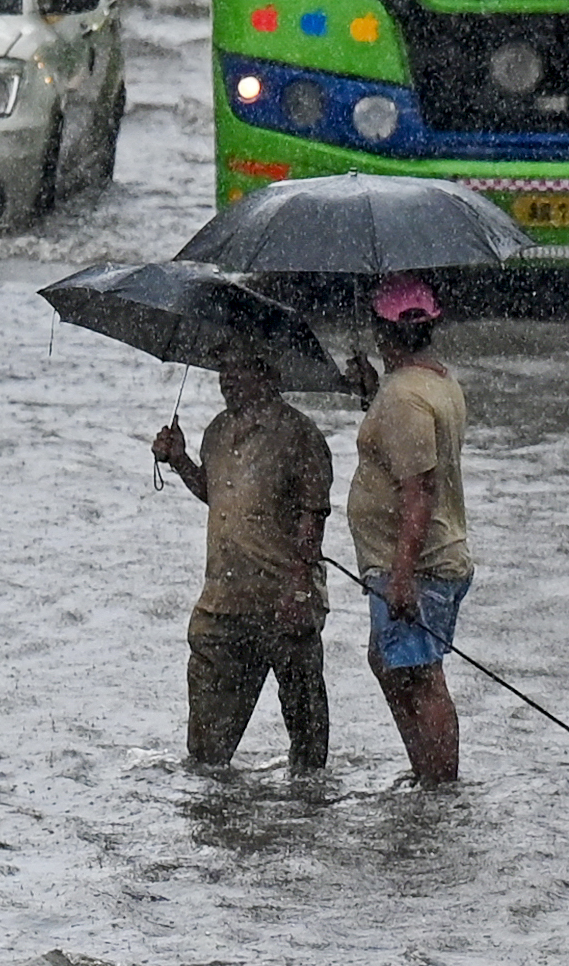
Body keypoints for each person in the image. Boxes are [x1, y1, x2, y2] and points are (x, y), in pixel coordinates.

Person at [152, 342, 333, 772]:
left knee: (306, 737)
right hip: (223, 603)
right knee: (207, 751)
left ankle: (307, 813)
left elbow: (314, 515)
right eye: (222, 369)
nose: (227, 379)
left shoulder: (299, 434)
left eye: (239, 369)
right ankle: (216, 814)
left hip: (284, 600)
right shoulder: (216, 431)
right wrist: (179, 461)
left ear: (270, 375)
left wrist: (298, 587)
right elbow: (216, 496)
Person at [345, 276, 472, 785]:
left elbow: (419, 492)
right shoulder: (435, 382)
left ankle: (439, 785)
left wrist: (400, 576)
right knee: (392, 663)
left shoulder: (404, 398)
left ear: (383, 333)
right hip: (431, 556)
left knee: (420, 676)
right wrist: (371, 391)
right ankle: (427, 774)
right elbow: (405, 449)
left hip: (418, 564)